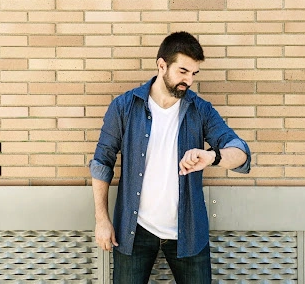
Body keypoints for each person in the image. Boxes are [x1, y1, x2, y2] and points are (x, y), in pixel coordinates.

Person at [89, 31, 251, 283]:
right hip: (134, 231)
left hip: (188, 232)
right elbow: (102, 163)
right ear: (161, 64)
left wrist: (212, 157)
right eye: (183, 71)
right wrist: (102, 220)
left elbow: (240, 152)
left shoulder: (200, 110)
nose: (189, 80)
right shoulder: (124, 107)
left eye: (194, 73)